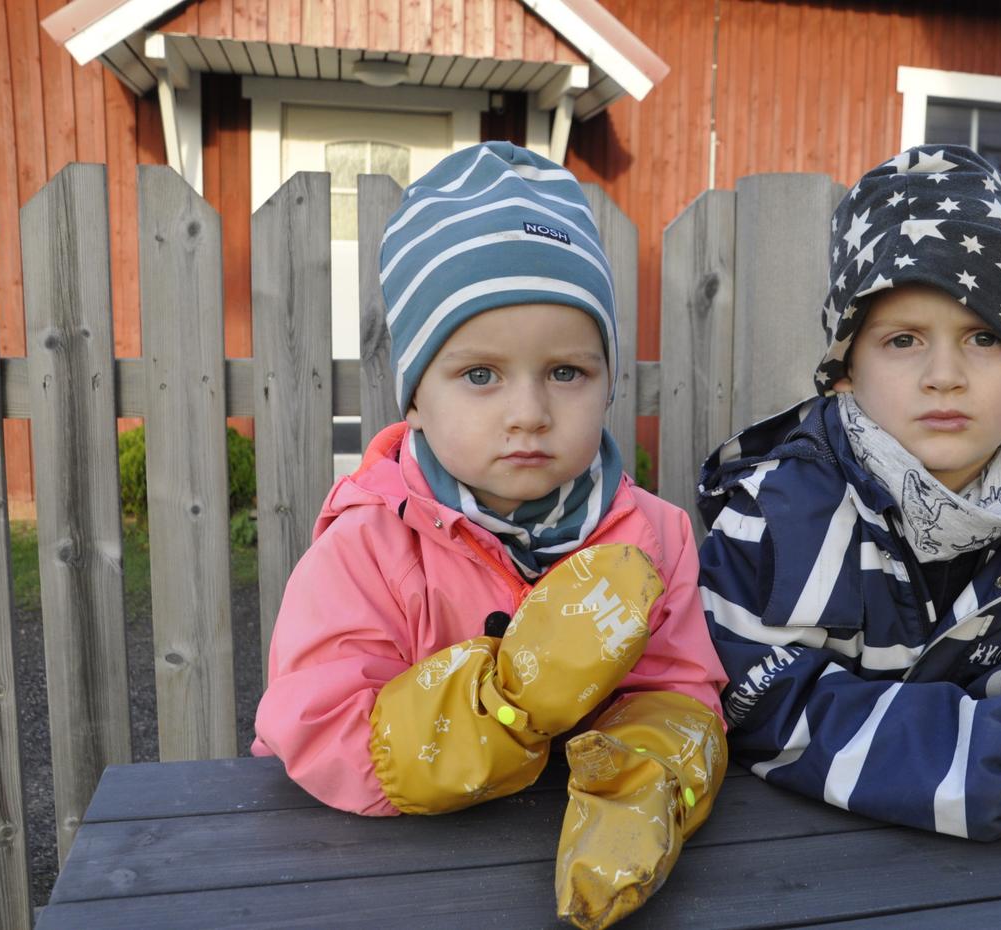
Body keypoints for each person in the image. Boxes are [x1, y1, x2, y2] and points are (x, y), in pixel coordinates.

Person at [253, 141, 727, 929]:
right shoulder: (372, 543)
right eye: (480, 375)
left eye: (566, 372)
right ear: (415, 398)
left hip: (545, 866)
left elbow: (680, 687)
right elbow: (320, 726)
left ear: (608, 381)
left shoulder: (654, 537)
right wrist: (501, 704)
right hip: (376, 878)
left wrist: (647, 779)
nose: (529, 412)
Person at [697, 144, 1001, 840]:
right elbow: (764, 704)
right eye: (904, 339)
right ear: (844, 369)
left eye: (982, 337)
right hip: (797, 860)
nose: (945, 374)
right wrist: (993, 760)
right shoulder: (776, 522)